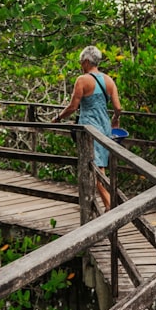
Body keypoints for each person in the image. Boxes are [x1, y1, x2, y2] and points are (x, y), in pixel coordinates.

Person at [54, 46, 123, 210]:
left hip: (89, 126)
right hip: (104, 125)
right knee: (101, 166)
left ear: (86, 61)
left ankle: (111, 205)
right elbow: (118, 108)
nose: (80, 65)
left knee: (95, 167)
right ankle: (108, 204)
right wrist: (115, 119)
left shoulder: (82, 80)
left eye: (80, 62)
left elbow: (72, 107)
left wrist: (57, 118)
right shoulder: (108, 80)